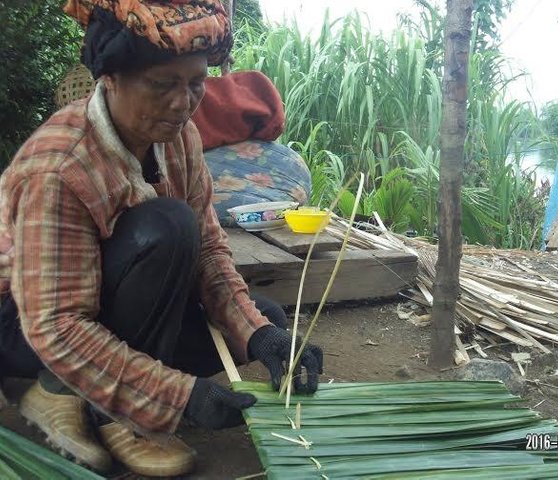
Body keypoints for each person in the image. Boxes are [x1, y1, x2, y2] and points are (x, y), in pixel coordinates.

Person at [0, 0, 322, 477]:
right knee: (167, 226)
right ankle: (72, 397)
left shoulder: (179, 137)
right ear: (110, 79)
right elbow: (57, 325)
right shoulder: (60, 167)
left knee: (261, 321)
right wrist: (179, 395)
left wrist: (262, 334)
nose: (183, 102)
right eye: (162, 85)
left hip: (100, 314)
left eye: (195, 83)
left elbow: (210, 252)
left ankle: (97, 392)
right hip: (25, 325)